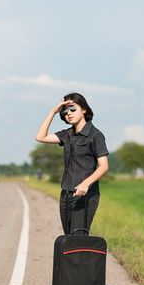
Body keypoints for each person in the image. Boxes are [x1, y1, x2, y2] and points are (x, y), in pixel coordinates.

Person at [35, 92, 109, 234]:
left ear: (84, 109)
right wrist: (53, 112)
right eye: (65, 111)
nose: (68, 113)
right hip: (66, 194)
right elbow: (40, 136)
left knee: (78, 237)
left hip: (85, 195)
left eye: (73, 109)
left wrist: (85, 184)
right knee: (69, 238)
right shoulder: (67, 135)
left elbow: (104, 165)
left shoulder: (95, 135)